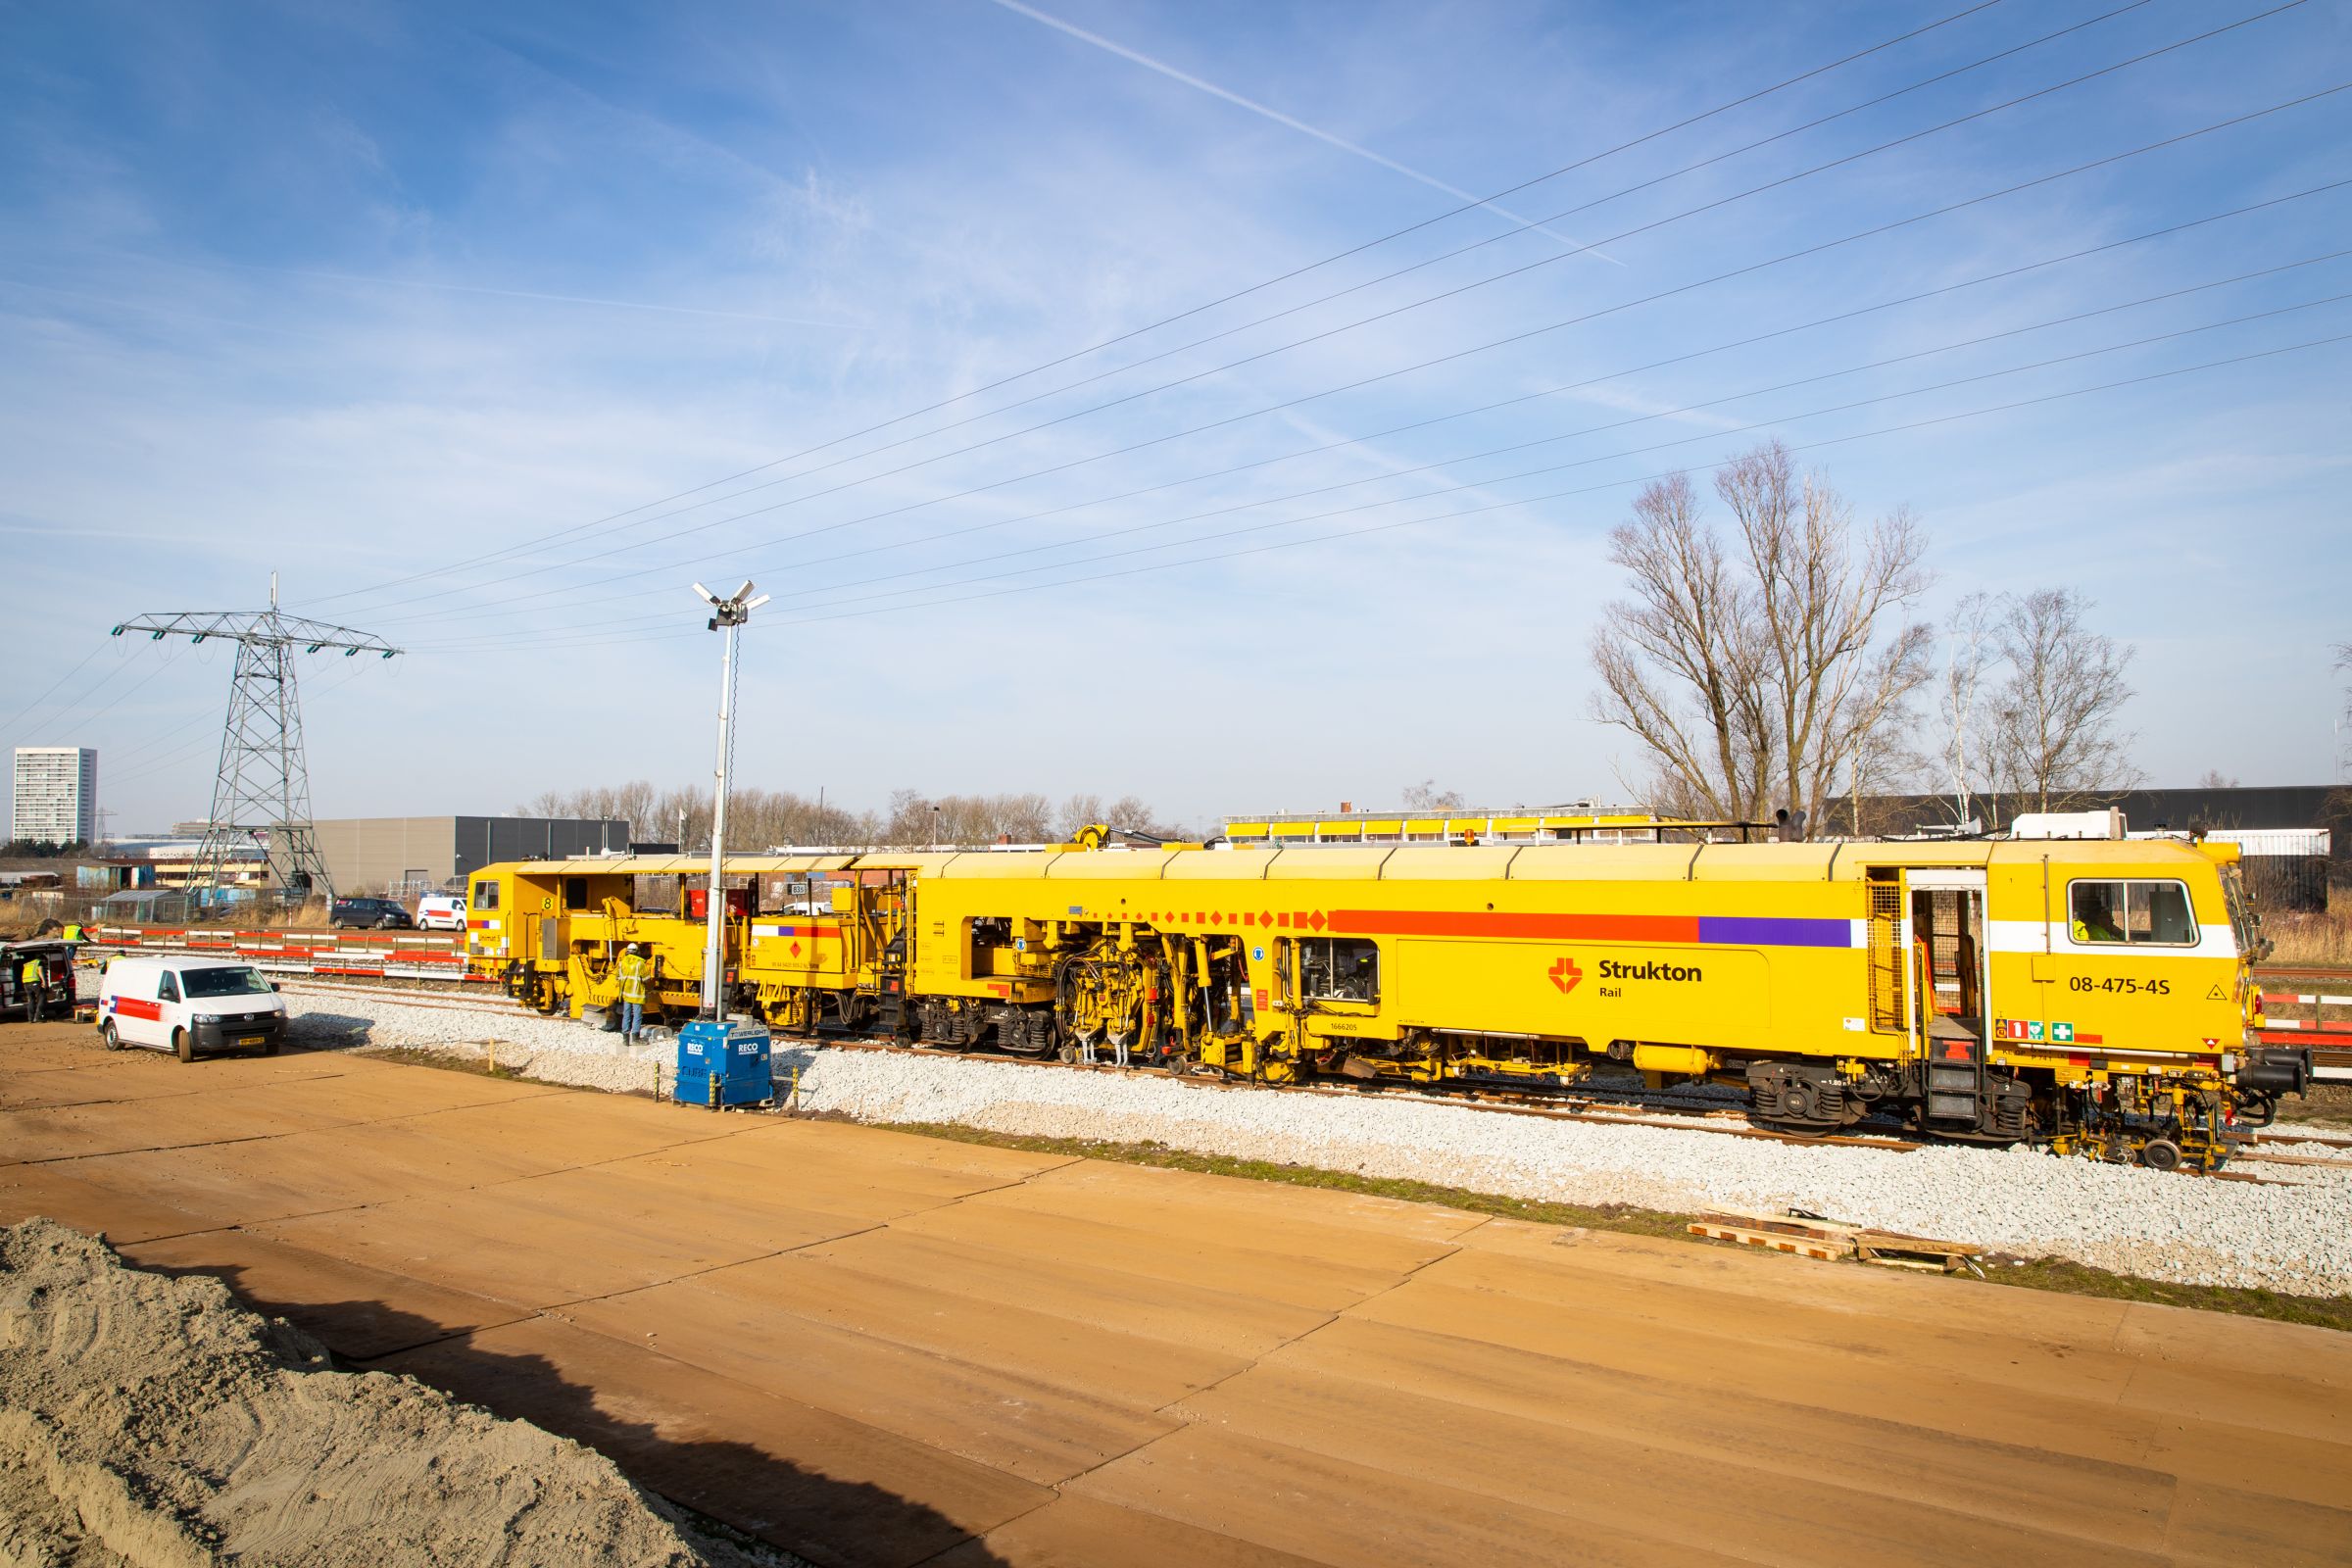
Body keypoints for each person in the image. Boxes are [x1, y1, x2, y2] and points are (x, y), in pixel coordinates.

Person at [616, 943, 649, 1043]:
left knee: (626, 1015)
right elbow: (646, 979)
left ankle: (625, 1039)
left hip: (626, 994)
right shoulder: (640, 963)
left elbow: (618, 977)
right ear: (637, 952)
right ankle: (635, 1038)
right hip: (637, 994)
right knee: (637, 1016)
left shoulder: (622, 963)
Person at [20, 954, 45, 1024]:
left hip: (26, 984)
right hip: (34, 982)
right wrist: (44, 981)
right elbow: (40, 971)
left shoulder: (28, 964)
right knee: (42, 998)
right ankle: (39, 1018)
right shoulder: (39, 962)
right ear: (42, 959)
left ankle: (30, 1019)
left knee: (31, 1000)